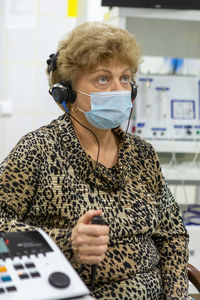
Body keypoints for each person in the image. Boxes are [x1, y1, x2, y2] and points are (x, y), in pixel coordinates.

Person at [0, 21, 190, 299]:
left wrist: (175, 295)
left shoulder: (143, 154)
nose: (119, 89)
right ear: (67, 92)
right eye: (103, 79)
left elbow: (172, 235)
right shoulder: (38, 149)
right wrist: (67, 241)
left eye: (125, 78)